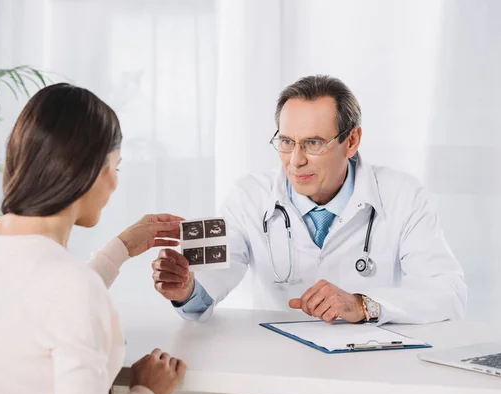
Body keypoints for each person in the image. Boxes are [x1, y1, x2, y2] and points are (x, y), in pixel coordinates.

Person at [151, 75, 467, 325]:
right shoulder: (247, 196)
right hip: (281, 367)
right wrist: (185, 289)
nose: (295, 161)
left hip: (374, 366)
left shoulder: (403, 195)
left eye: (313, 143)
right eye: (286, 142)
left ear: (352, 140)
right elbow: (208, 281)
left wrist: (361, 303)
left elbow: (448, 295)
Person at [0, 83, 185, 394]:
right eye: (115, 166)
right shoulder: (74, 288)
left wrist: (120, 249)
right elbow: (66, 298)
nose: (115, 182)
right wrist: (147, 391)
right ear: (87, 171)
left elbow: (43, 304)